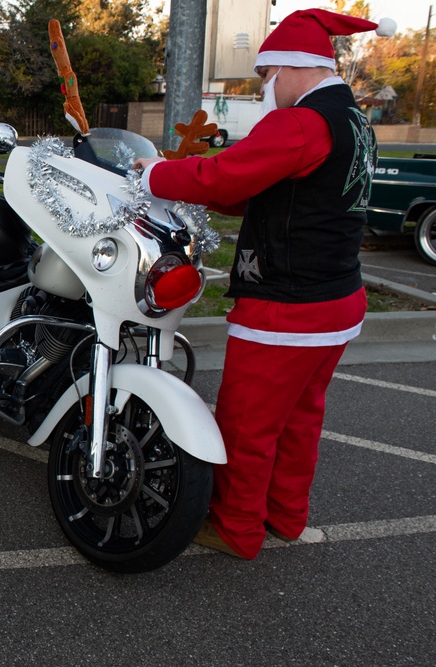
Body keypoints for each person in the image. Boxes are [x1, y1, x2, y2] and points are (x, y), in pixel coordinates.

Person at [133, 9, 395, 559]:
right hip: (337, 300)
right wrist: (201, 189)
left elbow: (226, 174)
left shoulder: (300, 121)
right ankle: (286, 517)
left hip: (287, 305)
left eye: (265, 76)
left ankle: (235, 528)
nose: (264, 89)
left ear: (289, 66)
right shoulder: (351, 120)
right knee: (300, 420)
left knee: (248, 424)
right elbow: (266, 188)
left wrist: (153, 174)